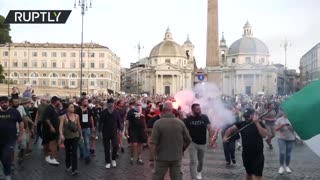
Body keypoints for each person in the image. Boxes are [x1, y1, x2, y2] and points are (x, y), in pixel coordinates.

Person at [150, 101, 192, 180]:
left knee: (157, 177)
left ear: (163, 111)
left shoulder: (158, 123)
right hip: (176, 156)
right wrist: (182, 149)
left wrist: (151, 158)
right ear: (172, 110)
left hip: (161, 157)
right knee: (177, 177)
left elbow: (153, 143)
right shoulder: (180, 123)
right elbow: (189, 139)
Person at [223, 108, 268, 180]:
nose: (246, 118)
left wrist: (256, 123)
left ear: (253, 115)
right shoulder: (241, 124)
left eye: (248, 116)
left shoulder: (259, 123)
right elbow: (230, 129)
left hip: (258, 154)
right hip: (246, 154)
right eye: (245, 116)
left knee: (258, 175)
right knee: (249, 173)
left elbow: (264, 135)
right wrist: (225, 137)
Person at [184, 103, 216, 180]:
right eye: (197, 109)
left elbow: (210, 128)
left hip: (203, 143)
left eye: (199, 109)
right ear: (192, 110)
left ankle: (199, 172)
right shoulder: (188, 119)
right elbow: (183, 129)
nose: (199, 110)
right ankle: (194, 178)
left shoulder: (204, 117)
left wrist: (211, 139)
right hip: (192, 143)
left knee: (200, 161)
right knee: (193, 162)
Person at [0, 96, 24, 180]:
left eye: (5, 102)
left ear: (8, 103)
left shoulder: (14, 111)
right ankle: (3, 173)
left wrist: (21, 135)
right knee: (1, 158)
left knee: (6, 157)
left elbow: (21, 123)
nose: (4, 104)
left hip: (10, 140)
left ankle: (7, 175)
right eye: (2, 103)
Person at [59, 103, 82, 176]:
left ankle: (74, 169)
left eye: (73, 107)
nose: (73, 108)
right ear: (67, 109)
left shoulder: (77, 116)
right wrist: (61, 134)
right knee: (68, 152)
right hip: (67, 137)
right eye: (71, 107)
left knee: (74, 152)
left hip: (75, 136)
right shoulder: (63, 117)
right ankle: (68, 165)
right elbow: (60, 127)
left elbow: (79, 126)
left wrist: (81, 135)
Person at [99, 98, 121, 169]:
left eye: (112, 103)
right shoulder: (103, 112)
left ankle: (113, 159)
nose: (111, 105)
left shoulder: (116, 112)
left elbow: (118, 122)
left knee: (115, 146)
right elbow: (100, 122)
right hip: (105, 132)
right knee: (107, 148)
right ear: (107, 104)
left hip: (114, 132)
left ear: (114, 104)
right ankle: (108, 162)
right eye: (109, 104)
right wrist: (99, 131)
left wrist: (120, 129)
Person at [126, 101, 147, 165]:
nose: (139, 106)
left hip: (141, 129)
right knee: (134, 144)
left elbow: (144, 120)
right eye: (138, 105)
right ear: (135, 105)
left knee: (140, 144)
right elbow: (127, 121)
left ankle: (139, 158)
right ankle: (132, 157)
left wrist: (145, 128)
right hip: (133, 129)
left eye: (140, 105)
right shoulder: (131, 111)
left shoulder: (143, 111)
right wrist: (126, 130)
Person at [43, 96, 61, 165]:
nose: (59, 102)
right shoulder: (49, 108)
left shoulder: (55, 108)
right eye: (58, 101)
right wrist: (51, 127)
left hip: (54, 129)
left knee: (52, 143)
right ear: (56, 101)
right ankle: (53, 158)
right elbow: (47, 119)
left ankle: (49, 157)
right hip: (51, 129)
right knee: (53, 143)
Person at [76, 98, 95, 164]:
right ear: (82, 102)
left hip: (87, 128)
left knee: (86, 143)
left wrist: (92, 126)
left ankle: (86, 157)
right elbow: (76, 118)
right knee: (81, 142)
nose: (86, 103)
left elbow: (91, 118)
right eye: (85, 101)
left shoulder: (89, 109)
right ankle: (82, 153)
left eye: (87, 101)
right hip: (79, 128)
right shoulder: (78, 109)